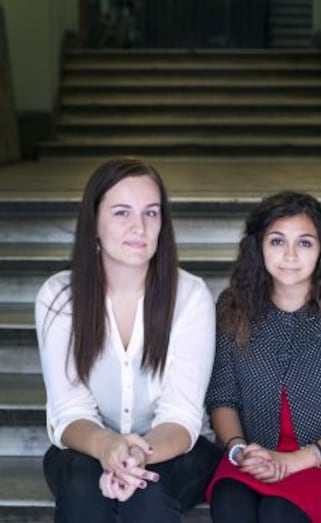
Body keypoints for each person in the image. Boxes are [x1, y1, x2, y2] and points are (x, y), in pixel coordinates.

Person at [35, 157, 221, 523]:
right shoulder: (59, 297)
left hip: (174, 452)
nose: (139, 226)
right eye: (122, 213)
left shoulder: (190, 296)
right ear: (94, 225)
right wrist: (108, 447)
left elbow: (181, 416)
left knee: (147, 494)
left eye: (151, 213)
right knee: (82, 489)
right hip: (87, 449)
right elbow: (69, 409)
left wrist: (134, 457)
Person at [205, 191, 321, 523]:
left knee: (280, 513)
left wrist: (298, 460)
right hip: (256, 451)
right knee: (229, 502)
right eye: (277, 241)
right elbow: (223, 396)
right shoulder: (233, 305)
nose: (290, 255)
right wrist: (237, 449)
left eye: (305, 243)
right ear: (258, 246)